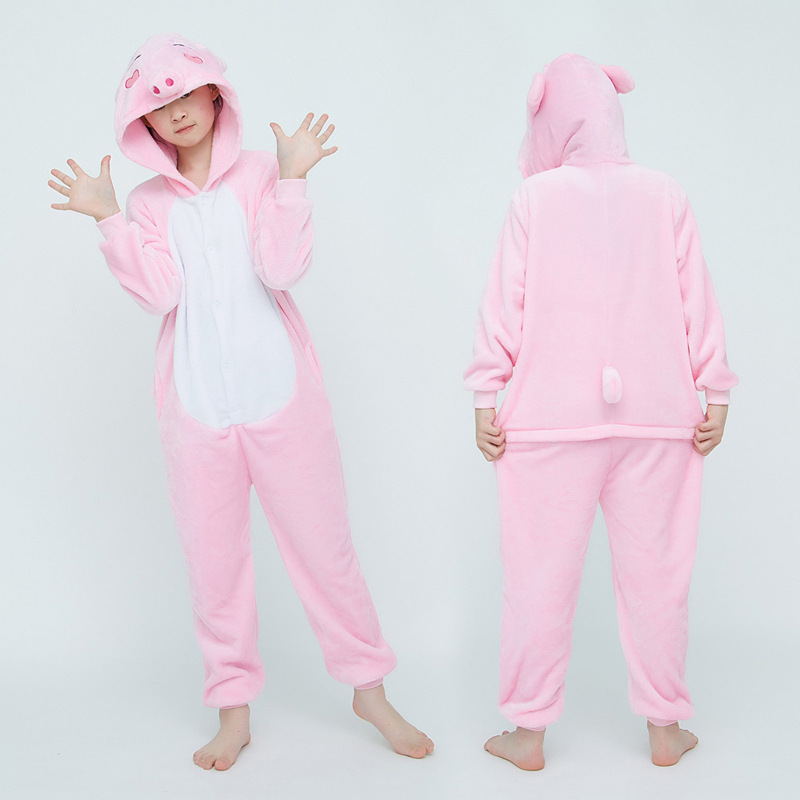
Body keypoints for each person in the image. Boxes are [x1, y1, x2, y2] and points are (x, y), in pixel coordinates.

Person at [49, 33, 433, 771]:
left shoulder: (260, 173)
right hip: (197, 412)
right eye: (156, 106)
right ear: (143, 124)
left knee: (326, 552)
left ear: (215, 96)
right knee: (215, 568)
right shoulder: (148, 203)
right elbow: (158, 295)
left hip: (283, 401)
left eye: (186, 94)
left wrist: (293, 181)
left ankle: (369, 690)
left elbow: (282, 269)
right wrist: (109, 219)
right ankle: (233, 711)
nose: (176, 112)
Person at [464, 53, 737, 771]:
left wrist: (487, 395)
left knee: (536, 580)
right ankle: (665, 729)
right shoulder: (665, 193)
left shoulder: (534, 198)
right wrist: (715, 391)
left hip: (547, 422)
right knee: (659, 579)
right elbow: (697, 298)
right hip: (660, 419)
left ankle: (528, 734)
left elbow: (504, 303)